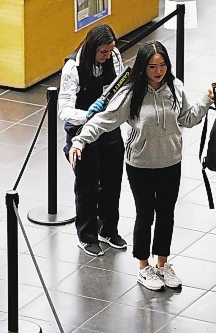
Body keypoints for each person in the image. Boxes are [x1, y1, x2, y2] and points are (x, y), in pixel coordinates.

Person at [68, 41, 216, 291]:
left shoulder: (175, 87)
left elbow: (187, 118)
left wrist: (207, 99)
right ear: (143, 67)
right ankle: (144, 267)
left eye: (162, 65)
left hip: (171, 161)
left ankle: (163, 264)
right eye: (152, 66)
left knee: (166, 214)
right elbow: (105, 120)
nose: (158, 71)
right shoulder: (131, 93)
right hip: (140, 165)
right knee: (145, 214)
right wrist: (80, 140)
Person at [58, 23, 126, 257]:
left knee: (112, 180)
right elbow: (64, 109)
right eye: (103, 52)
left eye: (109, 51)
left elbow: (118, 85)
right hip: (82, 128)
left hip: (107, 125)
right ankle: (86, 236)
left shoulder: (113, 55)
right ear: (92, 48)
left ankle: (108, 229)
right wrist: (86, 114)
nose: (107, 56)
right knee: (87, 184)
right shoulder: (72, 68)